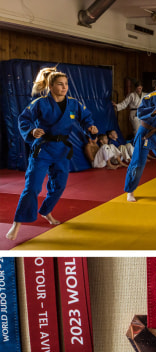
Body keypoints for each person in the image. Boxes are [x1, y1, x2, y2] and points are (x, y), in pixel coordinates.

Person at [6, 67, 97, 241]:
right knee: (32, 187)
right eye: (60, 84)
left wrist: (90, 127)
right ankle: (17, 223)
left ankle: (46, 211)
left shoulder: (74, 103)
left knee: (59, 186)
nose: (64, 87)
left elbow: (86, 118)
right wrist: (32, 131)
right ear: (50, 85)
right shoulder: (40, 103)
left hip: (62, 150)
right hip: (43, 149)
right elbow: (23, 119)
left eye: (66, 84)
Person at [123, 73, 156, 202]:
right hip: (146, 133)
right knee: (138, 163)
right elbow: (140, 113)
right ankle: (130, 190)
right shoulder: (149, 97)